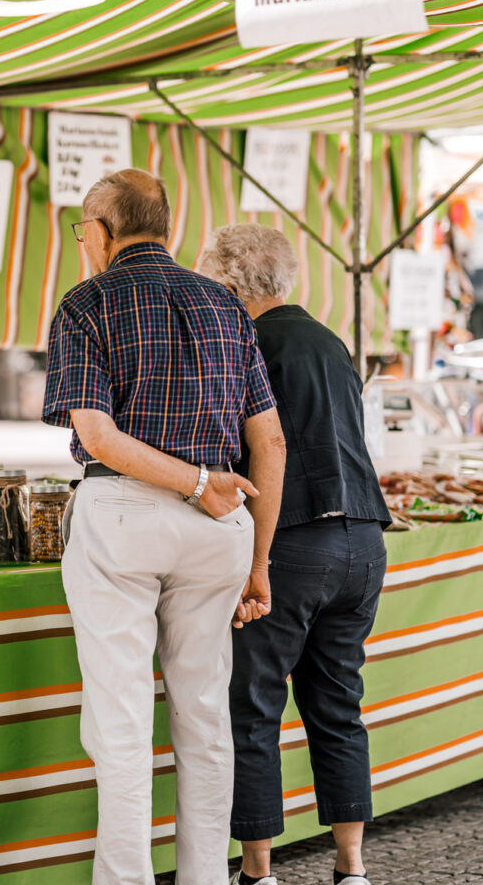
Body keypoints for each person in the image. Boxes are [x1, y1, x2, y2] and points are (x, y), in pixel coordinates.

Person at [42, 169, 287, 885]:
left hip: (125, 513)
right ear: (166, 228)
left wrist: (193, 482)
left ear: (102, 229)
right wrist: (258, 560)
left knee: (120, 723)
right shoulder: (225, 304)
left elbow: (99, 436)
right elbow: (269, 443)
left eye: (82, 229)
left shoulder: (85, 303)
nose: (82, 240)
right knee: (204, 720)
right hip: (220, 526)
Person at [200, 224, 392, 885]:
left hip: (290, 544)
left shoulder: (245, 342)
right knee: (338, 706)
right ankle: (352, 868)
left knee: (251, 710)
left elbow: (251, 453)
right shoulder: (329, 339)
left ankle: (258, 874)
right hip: (363, 540)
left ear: (227, 284)